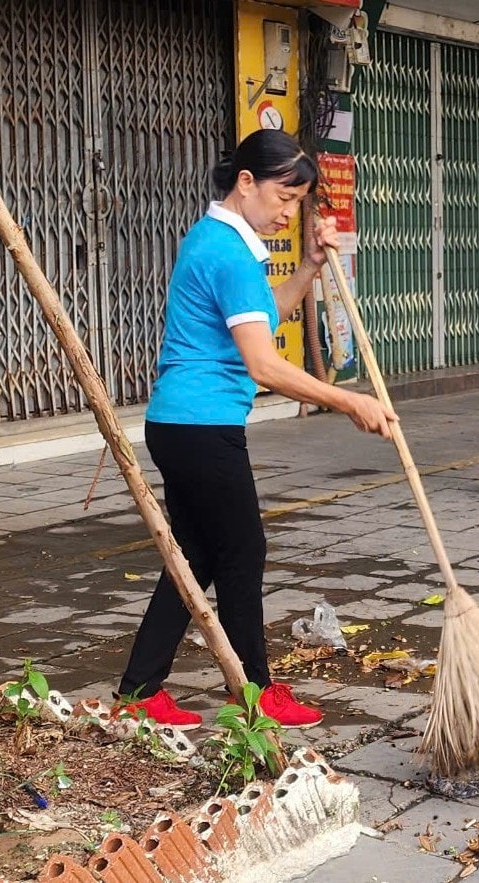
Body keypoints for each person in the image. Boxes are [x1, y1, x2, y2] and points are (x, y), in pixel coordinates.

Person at [116, 129, 397, 731]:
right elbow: (264, 364)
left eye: (298, 202)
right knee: (242, 552)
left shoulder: (217, 239)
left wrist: (311, 266)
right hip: (202, 425)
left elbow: (264, 318)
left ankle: (139, 690)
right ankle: (256, 695)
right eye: (283, 197)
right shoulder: (229, 253)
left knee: (196, 555)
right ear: (246, 182)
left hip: (183, 423)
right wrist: (347, 400)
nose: (288, 212)